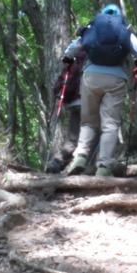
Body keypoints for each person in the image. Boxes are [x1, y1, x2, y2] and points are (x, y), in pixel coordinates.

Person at [64, 4, 137, 177]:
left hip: (91, 76)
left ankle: (80, 157)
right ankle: (104, 167)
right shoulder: (124, 30)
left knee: (88, 122)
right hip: (116, 78)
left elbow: (71, 49)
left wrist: (67, 59)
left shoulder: (93, 28)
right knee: (110, 124)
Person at [45, 39, 87, 174]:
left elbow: (67, 54)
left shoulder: (76, 49)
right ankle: (83, 165)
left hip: (74, 103)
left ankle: (56, 163)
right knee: (94, 135)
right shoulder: (97, 52)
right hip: (90, 101)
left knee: (73, 139)